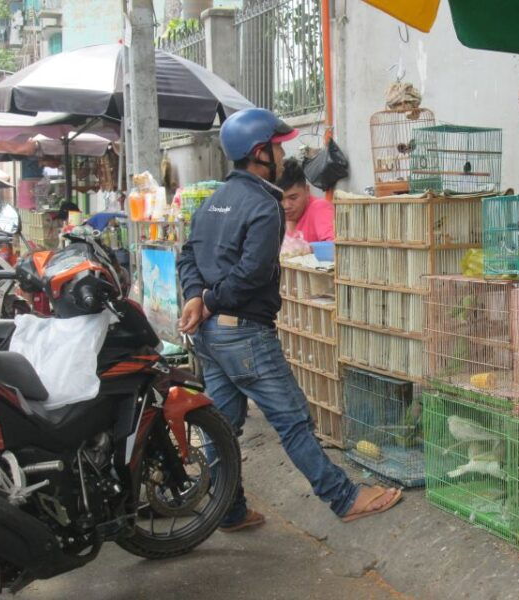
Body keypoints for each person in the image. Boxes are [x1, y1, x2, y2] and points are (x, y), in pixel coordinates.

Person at [177, 108, 402, 532]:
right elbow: (253, 275)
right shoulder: (265, 204)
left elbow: (187, 256)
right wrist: (207, 299)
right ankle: (344, 497)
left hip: (211, 337)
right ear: (259, 152)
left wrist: (196, 297)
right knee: (293, 420)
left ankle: (228, 509)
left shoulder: (211, 201)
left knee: (221, 427)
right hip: (244, 336)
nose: (282, 154)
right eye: (277, 147)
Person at [276, 157, 334, 243]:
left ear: (307, 191)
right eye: (279, 199)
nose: (286, 206)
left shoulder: (319, 208)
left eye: (293, 198)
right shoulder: (277, 216)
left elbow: (335, 246)